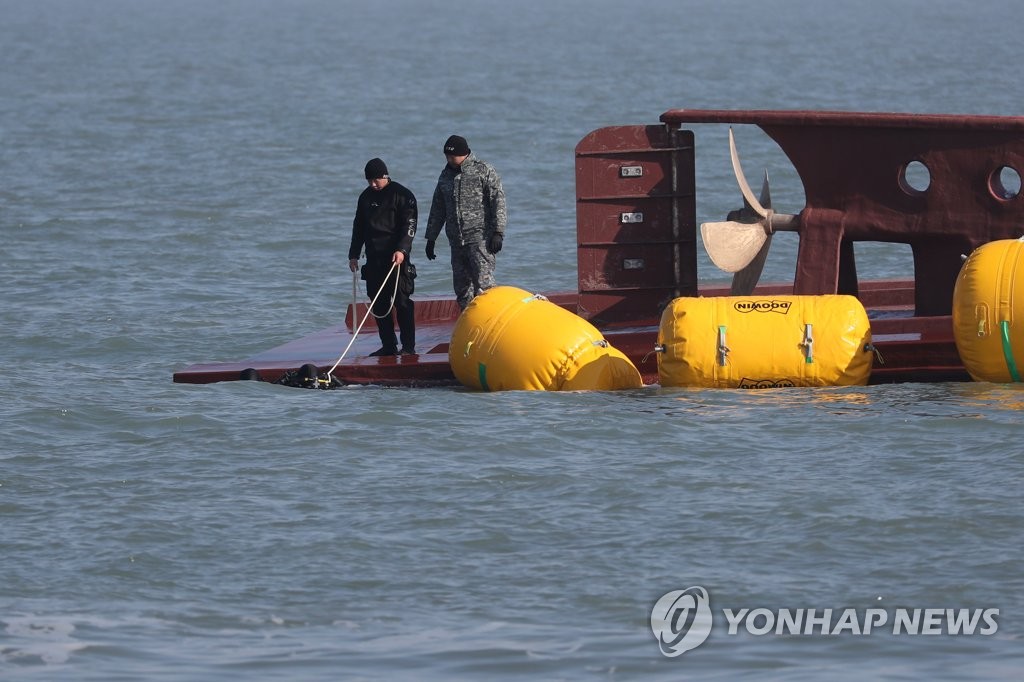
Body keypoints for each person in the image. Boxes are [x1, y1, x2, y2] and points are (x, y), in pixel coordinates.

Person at [423, 135, 507, 309]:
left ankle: (488, 326)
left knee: (485, 287)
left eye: (452, 156)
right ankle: (468, 326)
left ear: (464, 154)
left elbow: (498, 201)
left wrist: (498, 232)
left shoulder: (483, 171)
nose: (449, 160)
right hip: (456, 241)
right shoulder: (445, 176)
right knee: (462, 290)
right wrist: (431, 238)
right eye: (446, 156)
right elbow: (438, 208)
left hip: (480, 239)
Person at [348, 157, 418, 356]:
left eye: (376, 180)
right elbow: (358, 227)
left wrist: (402, 250)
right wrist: (353, 255)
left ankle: (408, 347)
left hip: (396, 259)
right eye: (369, 180)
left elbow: (410, 225)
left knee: (402, 303)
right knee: (378, 304)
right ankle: (388, 346)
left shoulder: (402, 195)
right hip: (374, 259)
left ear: (385, 176)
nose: (372, 184)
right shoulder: (365, 197)